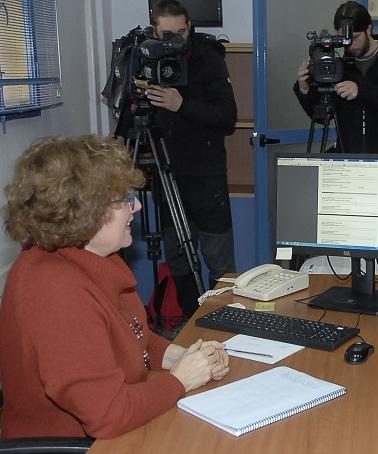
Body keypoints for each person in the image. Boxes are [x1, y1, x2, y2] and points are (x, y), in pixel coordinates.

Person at [0, 136, 230, 439]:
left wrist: (182, 356)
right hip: (78, 445)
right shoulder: (55, 291)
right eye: (122, 199)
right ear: (84, 211)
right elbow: (107, 414)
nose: (135, 206)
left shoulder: (95, 260)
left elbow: (136, 338)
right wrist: (180, 380)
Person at [147, 0, 238, 317]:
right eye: (167, 34)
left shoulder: (208, 59)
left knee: (219, 258)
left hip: (206, 174)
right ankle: (188, 320)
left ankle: (225, 318)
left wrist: (180, 104)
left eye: (181, 33)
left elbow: (227, 117)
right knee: (177, 254)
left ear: (191, 28)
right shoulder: (146, 59)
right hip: (166, 174)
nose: (174, 40)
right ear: (153, 32)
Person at [293, 1, 378, 154]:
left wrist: (360, 91)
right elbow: (322, 117)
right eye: (344, 39)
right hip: (349, 158)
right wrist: (304, 89)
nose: (350, 45)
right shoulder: (340, 66)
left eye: (355, 37)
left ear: (369, 29)